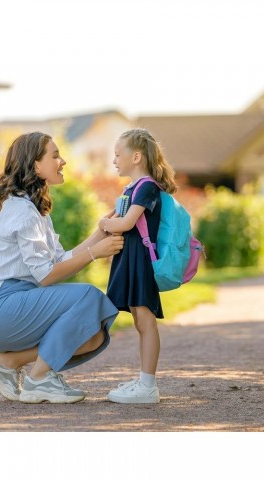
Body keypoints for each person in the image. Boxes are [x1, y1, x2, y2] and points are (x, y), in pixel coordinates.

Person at [0, 132, 124, 404]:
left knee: (93, 334)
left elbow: (58, 260)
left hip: (12, 306)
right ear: (35, 165)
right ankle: (39, 378)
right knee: (90, 297)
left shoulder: (34, 209)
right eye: (54, 155)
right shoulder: (22, 210)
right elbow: (47, 276)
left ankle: (6, 364)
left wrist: (99, 234)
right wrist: (93, 254)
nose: (62, 161)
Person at [98, 128, 177, 404]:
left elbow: (127, 223)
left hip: (141, 262)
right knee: (139, 319)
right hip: (131, 259)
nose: (114, 160)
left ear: (136, 156)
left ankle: (148, 386)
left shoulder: (147, 186)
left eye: (118, 155)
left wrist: (104, 224)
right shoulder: (132, 187)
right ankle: (144, 380)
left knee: (145, 320)